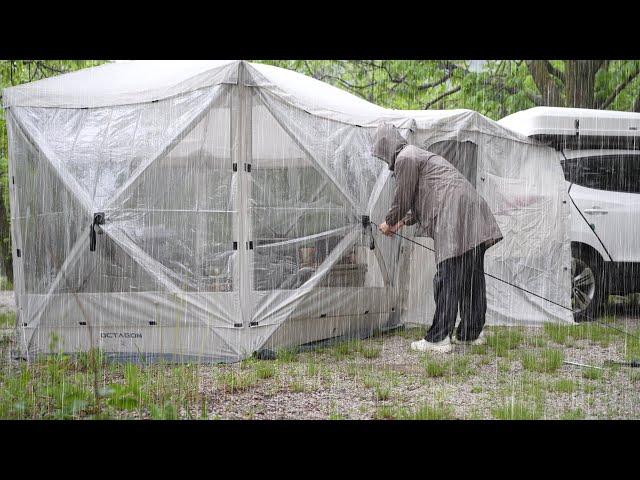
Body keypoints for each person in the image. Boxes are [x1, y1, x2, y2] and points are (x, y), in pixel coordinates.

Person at [371, 124, 503, 353]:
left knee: (448, 276)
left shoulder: (405, 157)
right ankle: (470, 333)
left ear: (385, 147)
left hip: (453, 215)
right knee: (470, 277)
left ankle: (439, 337)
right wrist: (402, 222)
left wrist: (390, 221)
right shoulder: (416, 155)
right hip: (470, 211)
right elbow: (422, 197)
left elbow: (403, 196)